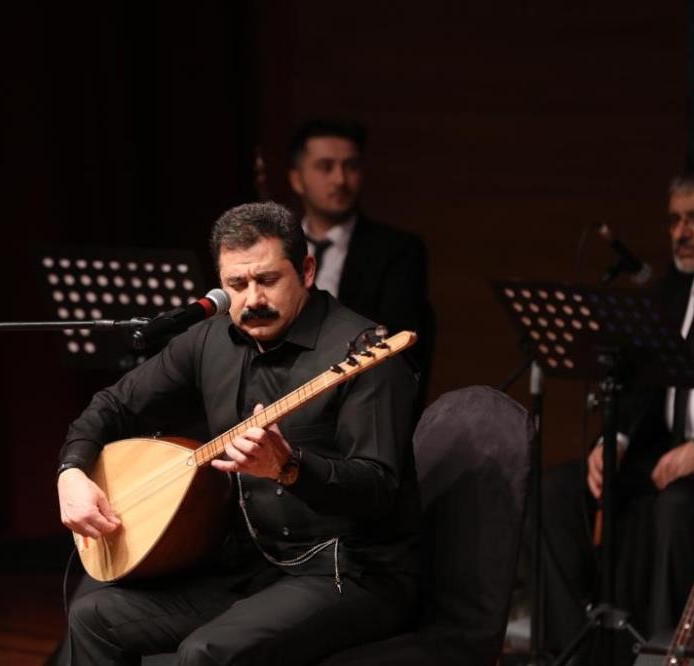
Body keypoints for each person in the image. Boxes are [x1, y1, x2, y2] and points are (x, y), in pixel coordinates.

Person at [56, 201, 422, 665]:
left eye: (268, 280)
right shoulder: (211, 340)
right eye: (237, 285)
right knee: (93, 617)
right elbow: (114, 404)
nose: (253, 300)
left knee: (204, 653)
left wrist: (289, 468)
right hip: (252, 566)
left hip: (349, 571)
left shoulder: (364, 353)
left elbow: (378, 490)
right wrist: (71, 472)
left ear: (307, 271)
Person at [541, 170, 694, 654]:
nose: (681, 233)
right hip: (663, 454)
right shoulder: (672, 289)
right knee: (557, 491)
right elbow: (639, 381)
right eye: (674, 221)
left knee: (676, 506)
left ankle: (664, 655)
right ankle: (573, 654)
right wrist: (613, 440)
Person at [287, 119, 433, 396]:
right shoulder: (277, 247)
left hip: (360, 391)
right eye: (325, 167)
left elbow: (401, 345)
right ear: (297, 179)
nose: (340, 180)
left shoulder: (398, 250)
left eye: (351, 166)